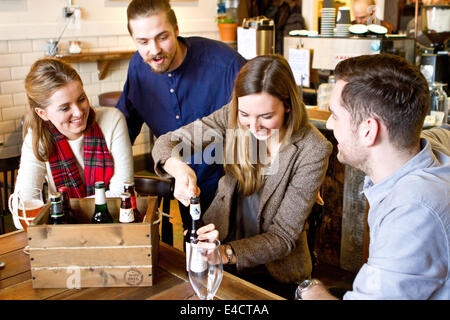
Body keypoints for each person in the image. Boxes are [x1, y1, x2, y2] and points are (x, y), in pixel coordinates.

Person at [151, 54, 333, 299]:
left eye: (266, 117)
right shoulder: (233, 116)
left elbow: (282, 237)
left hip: (275, 274)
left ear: (288, 104)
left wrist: (224, 253)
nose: (253, 126)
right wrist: (179, 168)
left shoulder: (313, 148)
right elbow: (167, 142)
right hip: (222, 255)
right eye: (245, 114)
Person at [297, 54, 450, 300]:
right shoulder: (423, 148)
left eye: (335, 115)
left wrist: (308, 289)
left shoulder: (413, 211)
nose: (331, 126)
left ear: (369, 130)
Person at [115, 0, 247, 231]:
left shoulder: (224, 64)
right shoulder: (138, 68)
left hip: (234, 187)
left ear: (176, 29)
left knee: (237, 261)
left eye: (162, 37)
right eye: (143, 42)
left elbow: (269, 109)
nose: (154, 50)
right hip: (185, 187)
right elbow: (123, 127)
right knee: (194, 254)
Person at [12, 58, 134, 229]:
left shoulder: (112, 120)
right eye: (64, 108)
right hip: (65, 234)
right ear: (42, 113)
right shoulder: (37, 137)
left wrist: (62, 208)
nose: (78, 112)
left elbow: (123, 196)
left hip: (113, 227)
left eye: (81, 99)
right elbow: (22, 212)